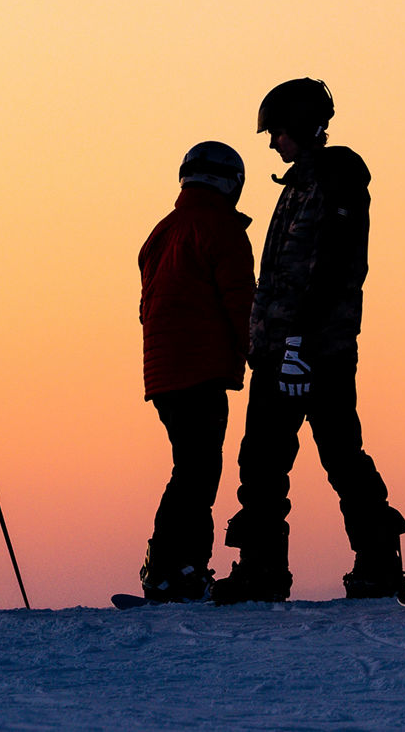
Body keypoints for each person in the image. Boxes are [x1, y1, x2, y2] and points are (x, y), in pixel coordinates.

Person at [217, 78, 405, 603]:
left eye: (276, 132)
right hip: (284, 350)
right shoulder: (301, 184)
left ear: (297, 127)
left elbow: (329, 268)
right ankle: (264, 570)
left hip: (311, 352)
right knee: (267, 459)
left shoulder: (335, 180)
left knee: (326, 455)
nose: (271, 143)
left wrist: (298, 344)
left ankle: (375, 563)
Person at [133, 141, 256, 603]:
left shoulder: (163, 231)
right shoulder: (221, 228)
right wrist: (256, 354)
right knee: (199, 470)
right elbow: (241, 300)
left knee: (190, 466)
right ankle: (176, 567)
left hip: (163, 370)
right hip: (197, 367)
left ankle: (171, 565)